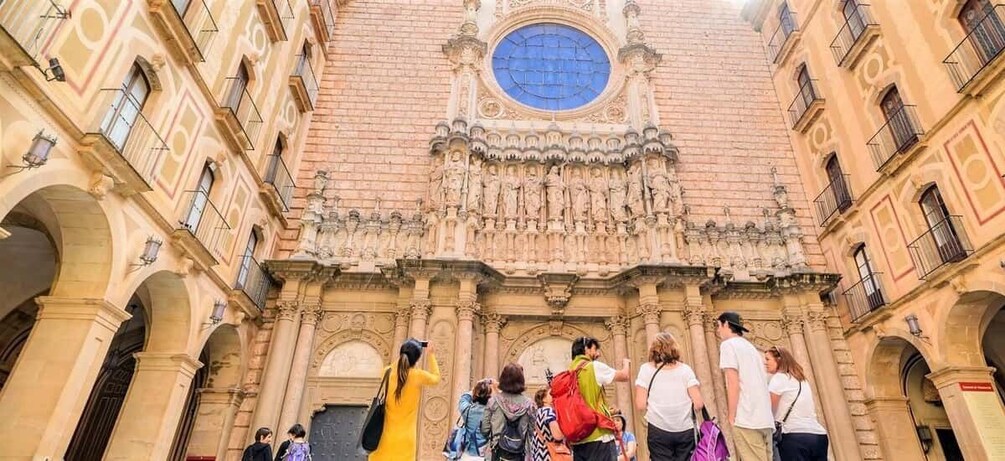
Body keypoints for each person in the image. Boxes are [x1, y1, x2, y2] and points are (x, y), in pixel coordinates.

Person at [634, 332, 704, 461]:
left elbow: (640, 405)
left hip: (658, 428)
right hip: (686, 429)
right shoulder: (685, 369)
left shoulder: (646, 369)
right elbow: (699, 403)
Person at [369, 339, 441, 461]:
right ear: (416, 359)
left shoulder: (386, 372)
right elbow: (436, 378)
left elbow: (395, 367)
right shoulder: (418, 376)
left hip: (382, 438)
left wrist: (405, 352)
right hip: (406, 440)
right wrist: (431, 354)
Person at [717, 312, 774, 461]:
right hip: (765, 418)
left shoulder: (728, 345)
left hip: (747, 417)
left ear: (726, 324)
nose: (718, 330)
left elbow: (733, 382)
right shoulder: (751, 348)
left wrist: (731, 416)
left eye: (719, 326)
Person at [569, 336, 631, 461]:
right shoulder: (593, 367)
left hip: (578, 438)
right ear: (586, 349)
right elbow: (624, 376)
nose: (598, 354)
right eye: (595, 349)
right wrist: (626, 364)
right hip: (598, 435)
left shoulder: (570, 371)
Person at [765, 346, 829, 461]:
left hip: (794, 437)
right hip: (819, 436)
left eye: (768, 359)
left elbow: (769, 410)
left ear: (779, 359)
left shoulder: (779, 378)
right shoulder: (802, 380)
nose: (765, 363)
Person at [481, 363, 535, 461]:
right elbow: (532, 431)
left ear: (502, 379)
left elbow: (484, 429)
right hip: (520, 452)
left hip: (496, 452)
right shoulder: (529, 404)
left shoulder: (493, 402)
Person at [453, 379, 493, 460]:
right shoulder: (492, 413)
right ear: (489, 396)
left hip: (467, 454)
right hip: (484, 454)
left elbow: (464, 397)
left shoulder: (467, 410)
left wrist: (478, 386)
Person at [531, 387, 567, 461]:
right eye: (551, 394)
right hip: (550, 455)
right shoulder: (548, 411)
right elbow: (558, 435)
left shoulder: (538, 411)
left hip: (539, 453)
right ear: (543, 399)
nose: (554, 396)